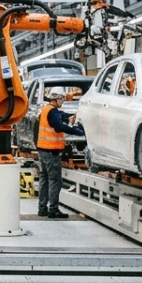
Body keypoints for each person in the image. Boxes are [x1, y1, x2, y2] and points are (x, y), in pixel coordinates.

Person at [37, 87, 85, 218]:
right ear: (57, 99)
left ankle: (42, 208)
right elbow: (59, 126)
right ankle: (53, 209)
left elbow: (62, 115)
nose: (63, 101)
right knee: (55, 180)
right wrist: (76, 131)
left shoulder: (47, 109)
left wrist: (71, 117)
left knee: (45, 179)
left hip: (43, 149)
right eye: (62, 99)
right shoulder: (52, 112)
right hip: (51, 152)